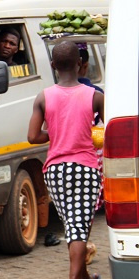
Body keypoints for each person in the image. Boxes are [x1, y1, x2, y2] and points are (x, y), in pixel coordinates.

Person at [28, 41, 104, 279]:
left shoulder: (43, 97)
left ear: (52, 66)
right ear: (81, 64)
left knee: (73, 228)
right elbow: (105, 132)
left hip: (55, 171)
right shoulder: (95, 96)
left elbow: (33, 137)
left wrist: (56, 132)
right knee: (79, 231)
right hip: (85, 167)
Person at [77, 43, 104, 265]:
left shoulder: (50, 94)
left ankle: (78, 244)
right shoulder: (96, 94)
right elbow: (101, 130)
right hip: (90, 157)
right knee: (89, 205)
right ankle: (84, 243)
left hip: (60, 160)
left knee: (71, 210)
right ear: (85, 66)